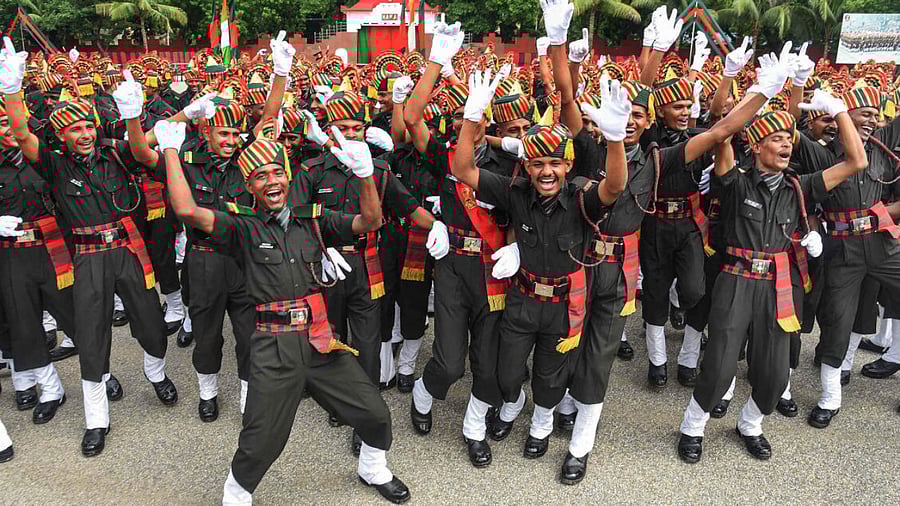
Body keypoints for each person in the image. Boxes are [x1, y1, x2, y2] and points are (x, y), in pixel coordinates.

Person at [159, 115, 410, 503]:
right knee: (262, 437)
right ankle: (237, 492)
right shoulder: (242, 228)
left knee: (374, 411)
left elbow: (370, 221)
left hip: (320, 340)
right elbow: (188, 211)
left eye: (277, 172)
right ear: (249, 186)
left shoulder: (314, 221)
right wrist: (171, 152)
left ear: (288, 177)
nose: (271, 181)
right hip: (273, 345)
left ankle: (372, 468)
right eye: (260, 176)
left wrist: (365, 176)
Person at [678, 66, 869, 462]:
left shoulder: (801, 186)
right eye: (776, 138)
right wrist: (760, 91)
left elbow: (856, 161)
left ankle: (750, 424)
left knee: (777, 372)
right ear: (756, 145)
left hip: (778, 284)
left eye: (788, 138)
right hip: (735, 280)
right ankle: (693, 426)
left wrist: (839, 111)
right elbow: (722, 131)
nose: (785, 144)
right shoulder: (735, 182)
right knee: (720, 364)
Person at [1, 37, 179, 457]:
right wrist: (11, 91)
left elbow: (142, 150)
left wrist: (132, 116)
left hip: (128, 251)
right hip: (86, 258)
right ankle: (96, 419)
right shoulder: (53, 164)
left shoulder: (114, 154)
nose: (84, 134)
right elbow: (22, 134)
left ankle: (156, 372)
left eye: (88, 127)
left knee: (152, 326)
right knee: (92, 338)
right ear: (61, 136)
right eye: (74, 129)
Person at [401, 16, 524, 468]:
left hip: (494, 270)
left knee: (487, 364)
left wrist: (516, 246)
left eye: (471, 116)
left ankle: (474, 428)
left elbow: (526, 211)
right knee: (450, 362)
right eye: (457, 118)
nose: (464, 125)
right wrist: (436, 61)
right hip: (452, 265)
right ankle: (422, 394)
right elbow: (411, 117)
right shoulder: (443, 156)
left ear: (486, 120)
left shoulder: (510, 163)